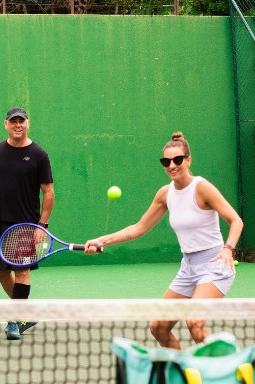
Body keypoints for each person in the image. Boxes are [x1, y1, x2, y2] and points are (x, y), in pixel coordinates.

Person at [84, 132, 243, 350]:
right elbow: (138, 228)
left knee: (195, 323)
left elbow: (236, 220)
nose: (172, 166)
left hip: (214, 265)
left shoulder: (202, 187)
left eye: (177, 160)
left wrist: (228, 248)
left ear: (188, 160)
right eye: (166, 162)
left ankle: (226, 364)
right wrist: (102, 240)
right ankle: (181, 367)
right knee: (158, 327)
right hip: (188, 267)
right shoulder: (165, 194)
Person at [0, 107, 54, 340]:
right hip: (1, 221)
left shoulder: (39, 155)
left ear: (28, 124)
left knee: (22, 272)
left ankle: (15, 320)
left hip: (26, 225)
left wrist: (42, 225)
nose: (18, 125)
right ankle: (23, 313)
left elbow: (48, 192)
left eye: (22, 121)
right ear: (6, 124)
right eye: (13, 121)